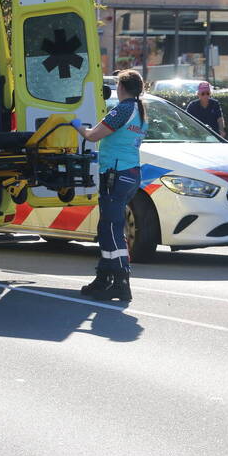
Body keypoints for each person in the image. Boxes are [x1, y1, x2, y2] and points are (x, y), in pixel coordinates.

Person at [69, 69, 149, 302]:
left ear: (121, 88)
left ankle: (121, 281)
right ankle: (103, 277)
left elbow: (94, 135)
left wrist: (76, 125)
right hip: (129, 173)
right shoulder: (140, 110)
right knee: (108, 227)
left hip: (116, 173)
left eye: (117, 86)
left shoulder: (123, 109)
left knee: (112, 228)